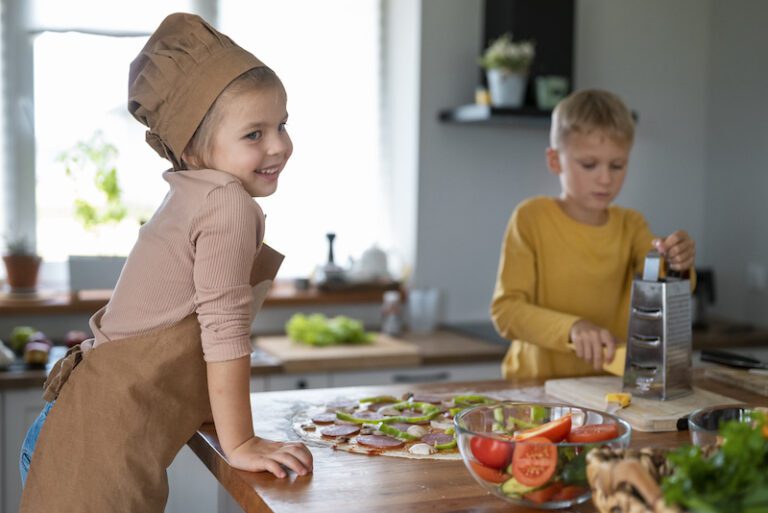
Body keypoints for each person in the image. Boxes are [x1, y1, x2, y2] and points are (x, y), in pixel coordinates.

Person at [19, 13, 312, 512]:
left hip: (78, 426)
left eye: (281, 124)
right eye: (254, 134)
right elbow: (223, 331)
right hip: (98, 446)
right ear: (197, 148)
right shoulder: (226, 202)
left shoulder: (192, 192)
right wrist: (239, 443)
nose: (279, 145)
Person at [491, 89, 696, 380]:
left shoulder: (631, 225)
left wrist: (680, 264)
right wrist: (572, 328)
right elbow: (506, 312)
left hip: (605, 388)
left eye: (617, 165)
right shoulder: (530, 219)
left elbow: (666, 291)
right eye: (589, 165)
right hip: (534, 388)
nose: (605, 179)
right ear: (554, 161)